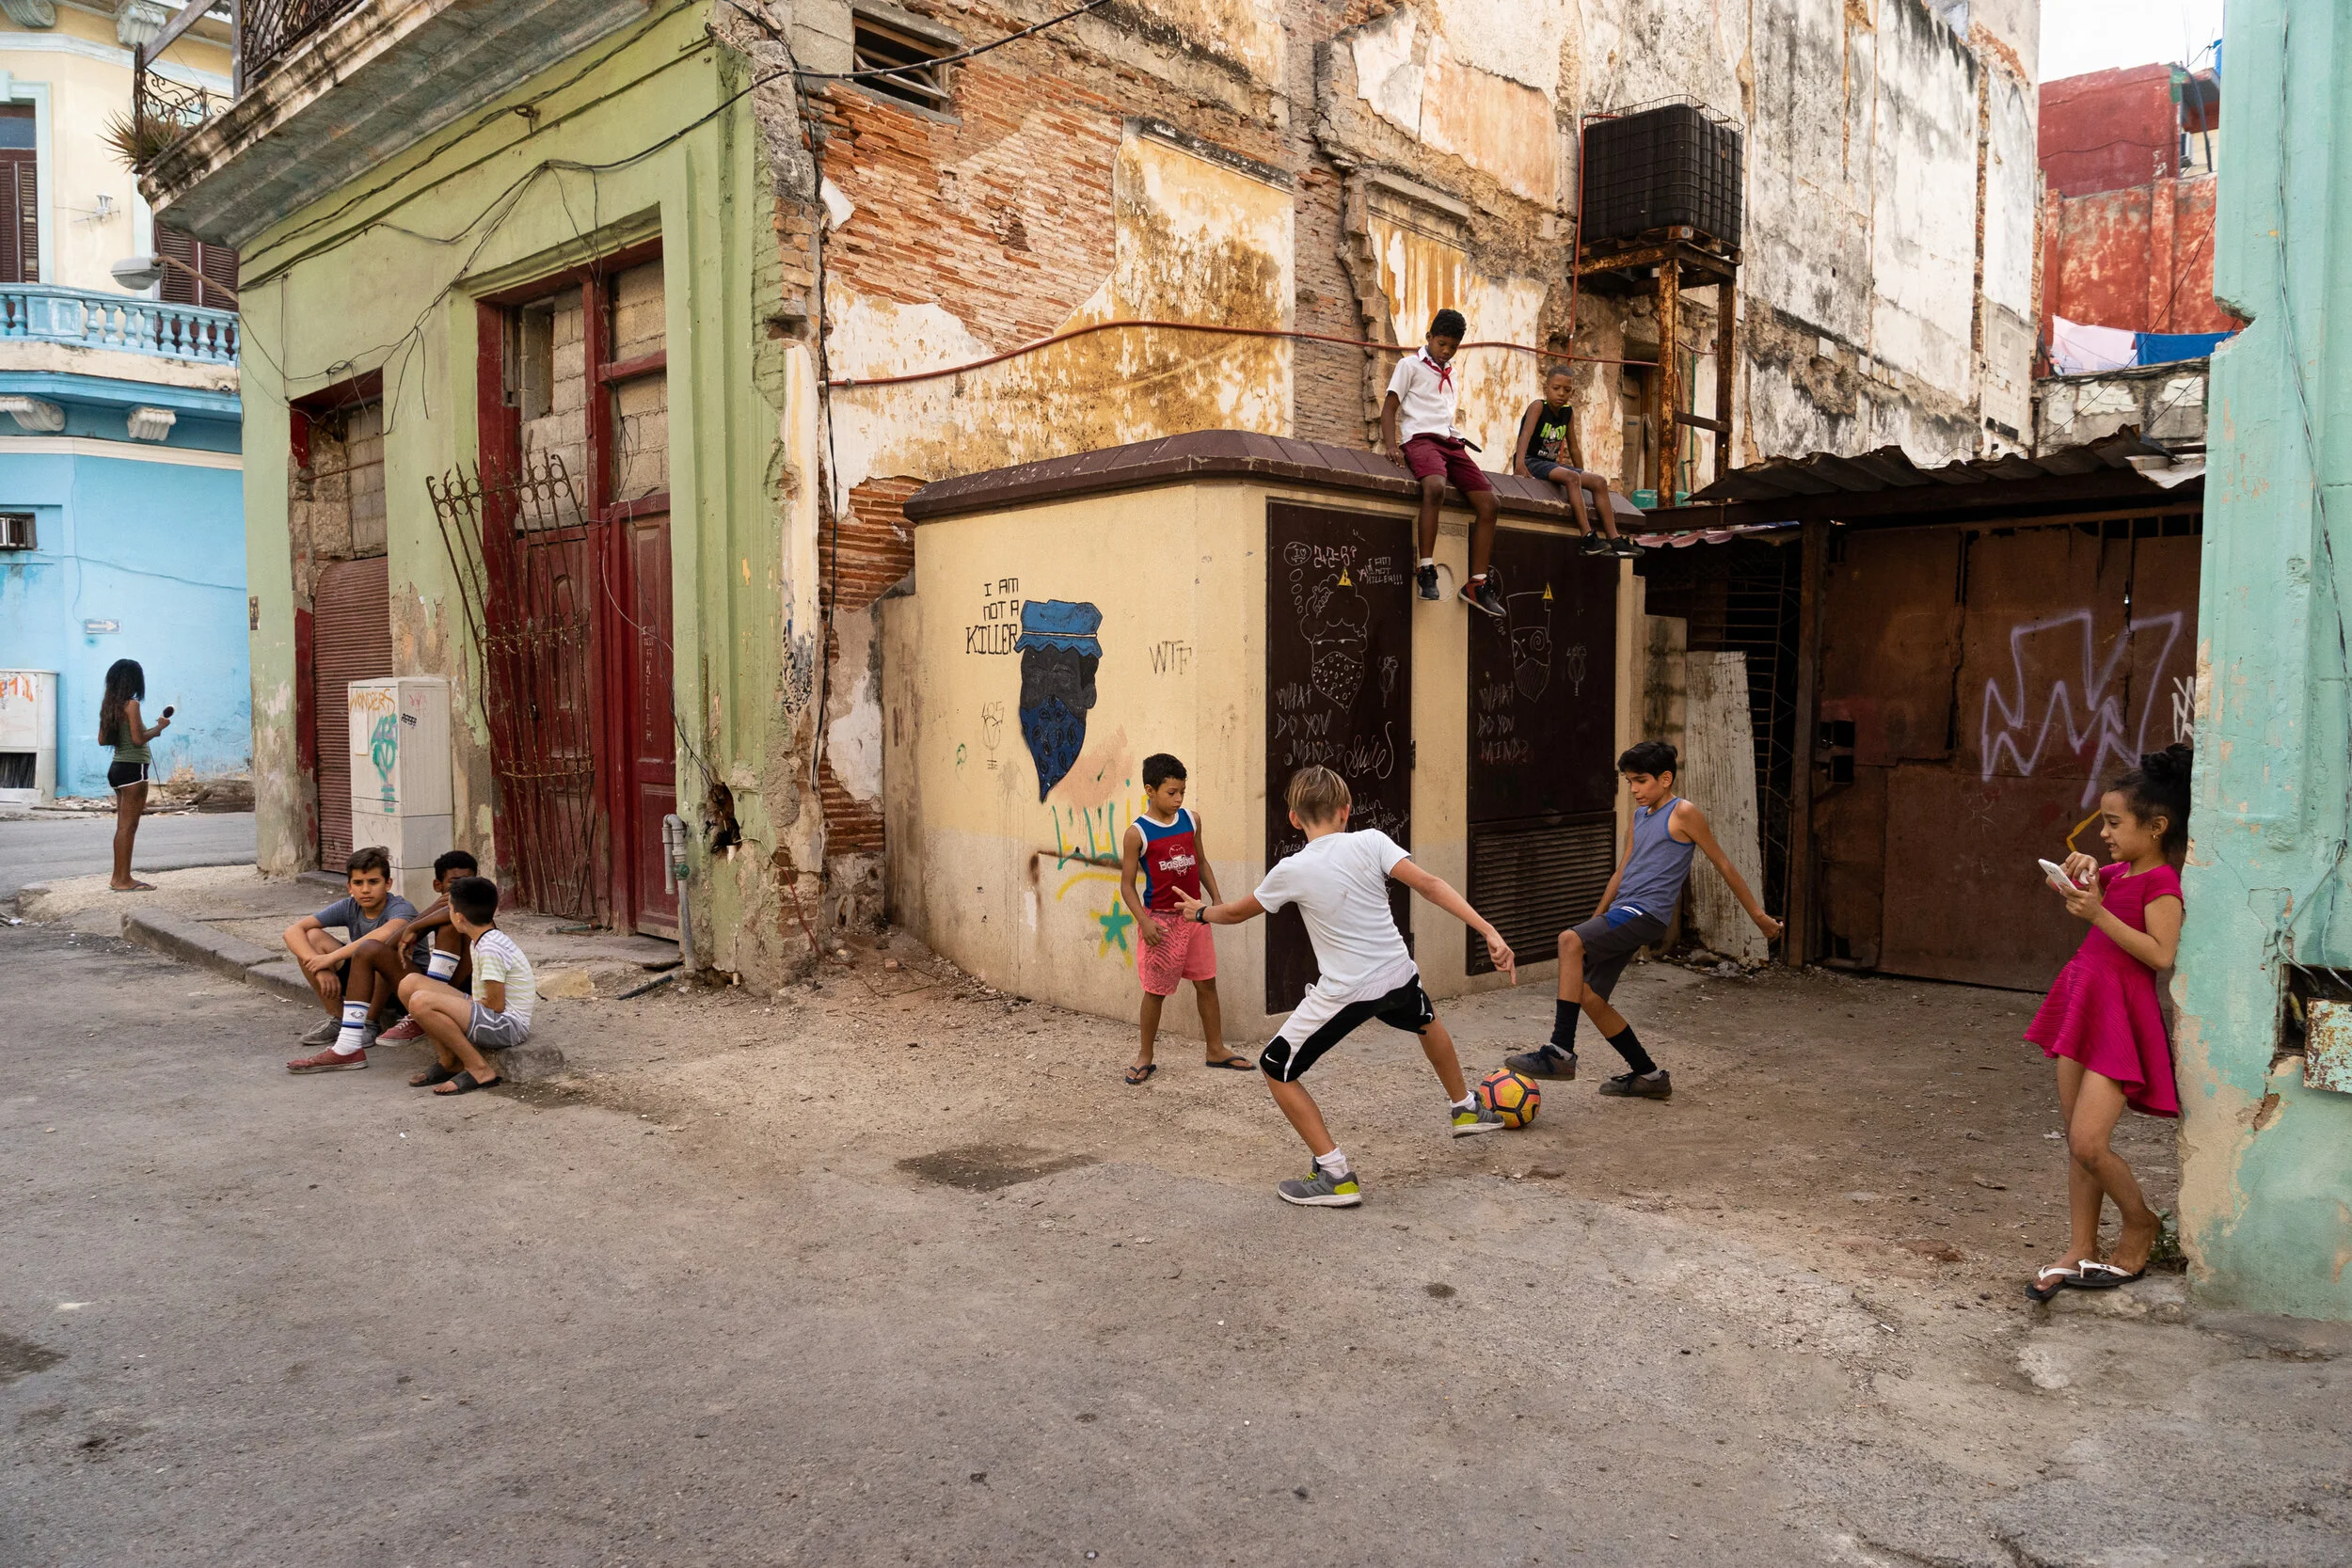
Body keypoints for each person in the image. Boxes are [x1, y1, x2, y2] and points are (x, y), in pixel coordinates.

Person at [1175, 765, 1518, 1208]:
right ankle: (1465, 1107)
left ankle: (1335, 1175)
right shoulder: (1372, 841)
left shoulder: (1291, 869)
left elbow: (1237, 913)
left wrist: (1199, 913)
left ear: (1294, 818)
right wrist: (1489, 930)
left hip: (1348, 990)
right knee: (1426, 1021)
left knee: (1276, 1066)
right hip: (1398, 973)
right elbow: (1431, 886)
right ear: (1346, 811)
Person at [1506, 740, 1782, 1099]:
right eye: (1629, 782)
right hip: (1624, 912)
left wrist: (1758, 917)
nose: (1634, 790)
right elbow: (1623, 869)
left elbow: (1723, 863)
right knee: (1588, 996)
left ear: (1665, 778)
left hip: (1646, 913)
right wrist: (1595, 919)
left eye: (1640, 781)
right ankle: (1649, 1076)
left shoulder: (1684, 813)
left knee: (1567, 940)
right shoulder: (1640, 817)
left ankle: (1559, 1052)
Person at [2023, 744, 2190, 1302]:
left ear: (2157, 825)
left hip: (2119, 1014)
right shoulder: (2119, 873)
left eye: (2115, 823)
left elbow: (2161, 954)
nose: (2105, 833)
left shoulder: (2162, 883)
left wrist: (2097, 913)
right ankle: (2079, 1248)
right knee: (2076, 1142)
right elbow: (2088, 884)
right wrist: (2077, 876)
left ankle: (2141, 1222)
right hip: (2084, 1003)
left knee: (2091, 1143)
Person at [1119, 753, 1252, 1083]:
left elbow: (1202, 862)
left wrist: (1217, 902)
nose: (1178, 799)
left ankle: (1216, 1049)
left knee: (1207, 983)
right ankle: (1145, 1055)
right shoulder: (1137, 833)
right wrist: (1144, 922)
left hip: (1195, 917)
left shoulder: (1192, 820)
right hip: (1160, 923)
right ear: (1150, 790)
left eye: (1182, 792)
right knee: (1155, 990)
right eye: (1171, 792)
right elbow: (1126, 886)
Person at [1382, 308, 1503, 618]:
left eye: (1453, 346)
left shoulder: (1452, 373)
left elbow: (1443, 416)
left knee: (1489, 504)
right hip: (1419, 440)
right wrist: (1392, 445)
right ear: (1429, 338)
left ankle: (1477, 584)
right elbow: (1389, 408)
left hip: (1451, 443)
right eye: (1442, 344)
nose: (1446, 351)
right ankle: (1426, 569)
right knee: (1434, 487)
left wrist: (1456, 442)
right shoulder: (1409, 365)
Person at [397, 875, 536, 1097]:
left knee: (421, 1001)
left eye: (450, 909)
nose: (448, 913)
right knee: (409, 984)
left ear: (459, 918)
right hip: (489, 1014)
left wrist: (461, 1004)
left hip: (507, 1027)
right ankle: (449, 1061)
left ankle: (479, 1069)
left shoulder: (491, 948)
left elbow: (496, 1005)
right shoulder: (481, 938)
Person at [281, 847, 419, 1072]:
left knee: (379, 949)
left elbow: (386, 934)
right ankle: (339, 1018)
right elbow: (293, 931)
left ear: (388, 884)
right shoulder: (350, 905)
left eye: (373, 882)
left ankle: (369, 1023)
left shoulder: (401, 908)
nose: (365, 890)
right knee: (312, 937)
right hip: (364, 979)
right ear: (349, 886)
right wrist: (319, 966)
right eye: (358, 883)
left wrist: (330, 959)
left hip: (402, 983)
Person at [1510, 366, 1640, 559]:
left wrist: (1583, 473)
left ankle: (1615, 540)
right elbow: (1525, 436)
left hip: (1550, 464)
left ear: (1573, 391)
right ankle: (1587, 537)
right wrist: (1520, 465)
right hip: (1532, 461)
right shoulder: (1538, 406)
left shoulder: (1567, 412)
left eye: (1567, 390)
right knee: (1571, 478)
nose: (1561, 393)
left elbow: (1574, 446)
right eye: (1556, 388)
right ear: (1547, 388)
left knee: (1598, 482)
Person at [366, 849, 480, 1044]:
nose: (461, 888)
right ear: (438, 886)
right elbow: (387, 946)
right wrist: (427, 915)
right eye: (454, 883)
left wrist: (415, 926)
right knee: (371, 950)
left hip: (469, 995)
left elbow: (472, 965)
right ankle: (367, 1025)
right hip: (437, 984)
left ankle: (428, 1003)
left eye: (467, 882)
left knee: (451, 925)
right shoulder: (437, 911)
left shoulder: (479, 911)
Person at [97, 658, 169, 893]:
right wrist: (159, 728)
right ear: (134, 680)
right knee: (129, 827)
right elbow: (139, 739)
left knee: (122, 827)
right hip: (133, 769)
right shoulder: (132, 704)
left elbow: (102, 740)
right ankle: (123, 880)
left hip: (117, 768)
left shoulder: (109, 705)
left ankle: (117, 877)